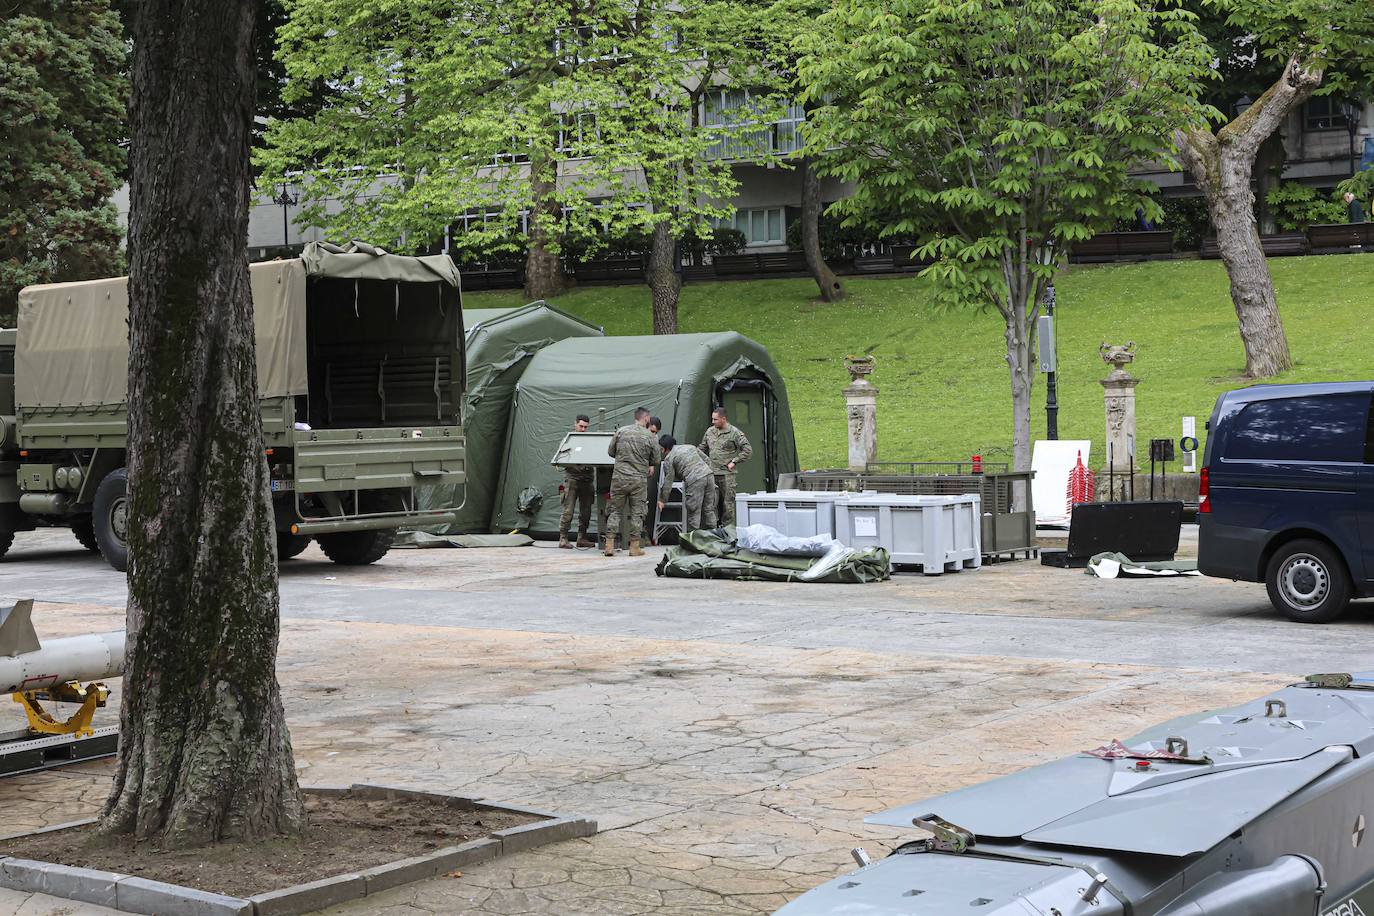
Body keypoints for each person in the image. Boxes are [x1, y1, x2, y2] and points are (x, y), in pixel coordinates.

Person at [604, 407, 660, 557]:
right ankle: (634, 547)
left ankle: (609, 545)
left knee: (614, 511)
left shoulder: (621, 431)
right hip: (638, 481)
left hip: (619, 479)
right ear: (647, 418)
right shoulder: (650, 436)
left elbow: (610, 452)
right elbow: (655, 460)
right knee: (637, 513)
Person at [699, 406, 752, 527]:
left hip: (727, 475)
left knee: (727, 505)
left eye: (715, 419)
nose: (713, 422)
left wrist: (734, 461)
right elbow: (702, 448)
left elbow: (748, 450)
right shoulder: (710, 432)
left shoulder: (734, 433)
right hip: (712, 474)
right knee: (711, 504)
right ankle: (713, 531)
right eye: (712, 419)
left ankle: (728, 531)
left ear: (723, 419)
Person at [656, 434, 718, 532]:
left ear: (664, 448)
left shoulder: (669, 458)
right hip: (709, 476)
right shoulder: (690, 447)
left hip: (694, 480)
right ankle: (715, 536)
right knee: (709, 509)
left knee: (694, 510)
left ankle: (693, 540)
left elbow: (668, 480)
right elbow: (706, 460)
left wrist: (662, 500)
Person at [558, 414, 595, 549]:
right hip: (572, 480)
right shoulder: (568, 440)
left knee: (586, 512)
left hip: (587, 480)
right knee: (568, 510)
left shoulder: (591, 441)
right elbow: (561, 459)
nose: (583, 429)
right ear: (575, 424)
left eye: (586, 427)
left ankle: (582, 537)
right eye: (581, 426)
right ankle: (563, 538)